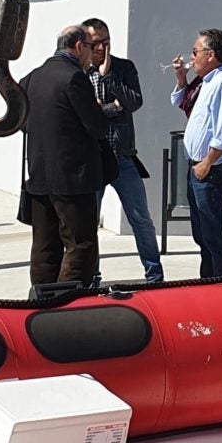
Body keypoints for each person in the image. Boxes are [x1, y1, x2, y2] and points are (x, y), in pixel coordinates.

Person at [17, 24, 109, 287]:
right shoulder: (74, 78)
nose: (93, 54)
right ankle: (67, 302)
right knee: (80, 243)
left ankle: (42, 300)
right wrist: (101, 110)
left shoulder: (31, 78)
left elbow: (23, 123)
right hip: (73, 178)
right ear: (79, 46)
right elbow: (96, 126)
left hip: (39, 176)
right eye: (91, 48)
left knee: (45, 247)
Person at [81, 17, 161, 282]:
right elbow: (84, 115)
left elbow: (135, 102)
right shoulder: (78, 72)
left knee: (141, 219)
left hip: (123, 156)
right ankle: (92, 276)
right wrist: (112, 108)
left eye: (106, 42)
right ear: (85, 44)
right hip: (92, 159)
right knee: (88, 223)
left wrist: (109, 77)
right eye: (96, 43)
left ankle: (154, 274)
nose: (102, 48)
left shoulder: (124, 68)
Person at [169, 27, 222, 278]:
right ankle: (209, 282)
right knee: (202, 234)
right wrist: (181, 76)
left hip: (211, 169)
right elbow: (180, 101)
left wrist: (207, 162)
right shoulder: (207, 81)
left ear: (211, 55)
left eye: (195, 52)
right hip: (199, 167)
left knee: (213, 234)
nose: (192, 58)